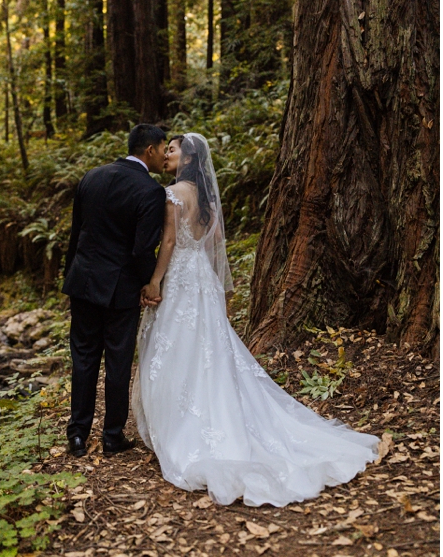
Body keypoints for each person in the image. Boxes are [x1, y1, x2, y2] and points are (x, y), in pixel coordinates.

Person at [132, 133, 379, 506]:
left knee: (177, 349)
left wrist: (154, 281)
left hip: (181, 277)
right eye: (165, 148)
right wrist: (219, 292)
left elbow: (168, 243)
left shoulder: (173, 195)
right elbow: (214, 247)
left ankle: (182, 426)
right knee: (207, 350)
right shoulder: (208, 200)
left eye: (173, 149)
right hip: (202, 279)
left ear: (189, 158)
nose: (167, 153)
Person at [61, 124, 168, 457]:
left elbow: (76, 233)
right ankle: (111, 436)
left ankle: (77, 435)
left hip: (83, 282)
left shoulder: (92, 177)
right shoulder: (150, 191)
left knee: (83, 357)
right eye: (163, 149)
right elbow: (142, 249)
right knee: (118, 361)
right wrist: (149, 283)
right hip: (120, 289)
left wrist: (70, 276)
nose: (165, 156)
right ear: (149, 150)